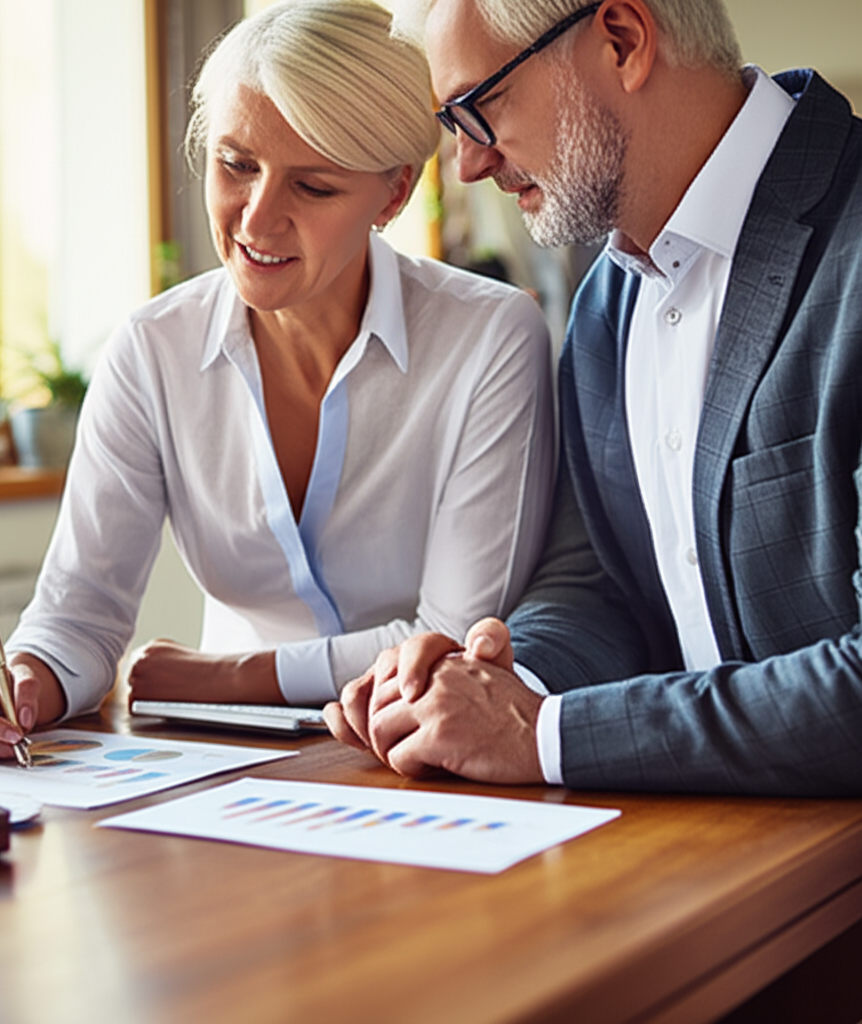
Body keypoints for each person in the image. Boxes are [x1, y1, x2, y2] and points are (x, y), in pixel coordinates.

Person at [0, 0, 554, 762]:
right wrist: (23, 680)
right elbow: (80, 617)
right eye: (236, 165)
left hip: (421, 765)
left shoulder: (490, 339)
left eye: (313, 187)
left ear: (392, 194)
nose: (256, 220)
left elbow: (447, 639)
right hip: (217, 767)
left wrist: (220, 676)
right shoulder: (152, 351)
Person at [326, 0, 862, 796]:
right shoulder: (606, 306)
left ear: (623, 40)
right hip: (717, 851)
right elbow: (602, 587)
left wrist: (541, 734)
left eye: (481, 107)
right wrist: (492, 680)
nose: (467, 164)